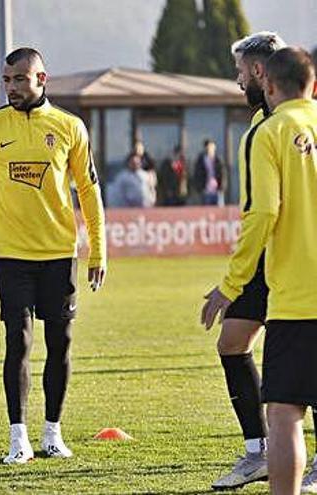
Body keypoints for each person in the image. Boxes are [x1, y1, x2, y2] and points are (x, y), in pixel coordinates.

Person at [0, 47, 107, 463]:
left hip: (60, 252)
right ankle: (18, 437)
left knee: (59, 343)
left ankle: (52, 433)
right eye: (6, 80)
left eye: (20, 80)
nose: (11, 87)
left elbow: (90, 190)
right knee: (18, 341)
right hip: (10, 255)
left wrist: (98, 250)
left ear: (42, 79)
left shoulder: (69, 127)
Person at [202, 46, 317, 495]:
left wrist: (230, 285)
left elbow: (262, 213)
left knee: (285, 412)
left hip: (298, 295)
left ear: (267, 83)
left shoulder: (268, 132)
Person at [193, 139, 225, 205]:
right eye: (208, 147)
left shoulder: (218, 159)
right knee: (206, 211)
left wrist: (222, 186)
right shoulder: (201, 160)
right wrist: (200, 188)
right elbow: (197, 175)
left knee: (219, 211)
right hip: (206, 190)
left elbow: (223, 174)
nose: (210, 149)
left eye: (211, 147)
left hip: (217, 190)